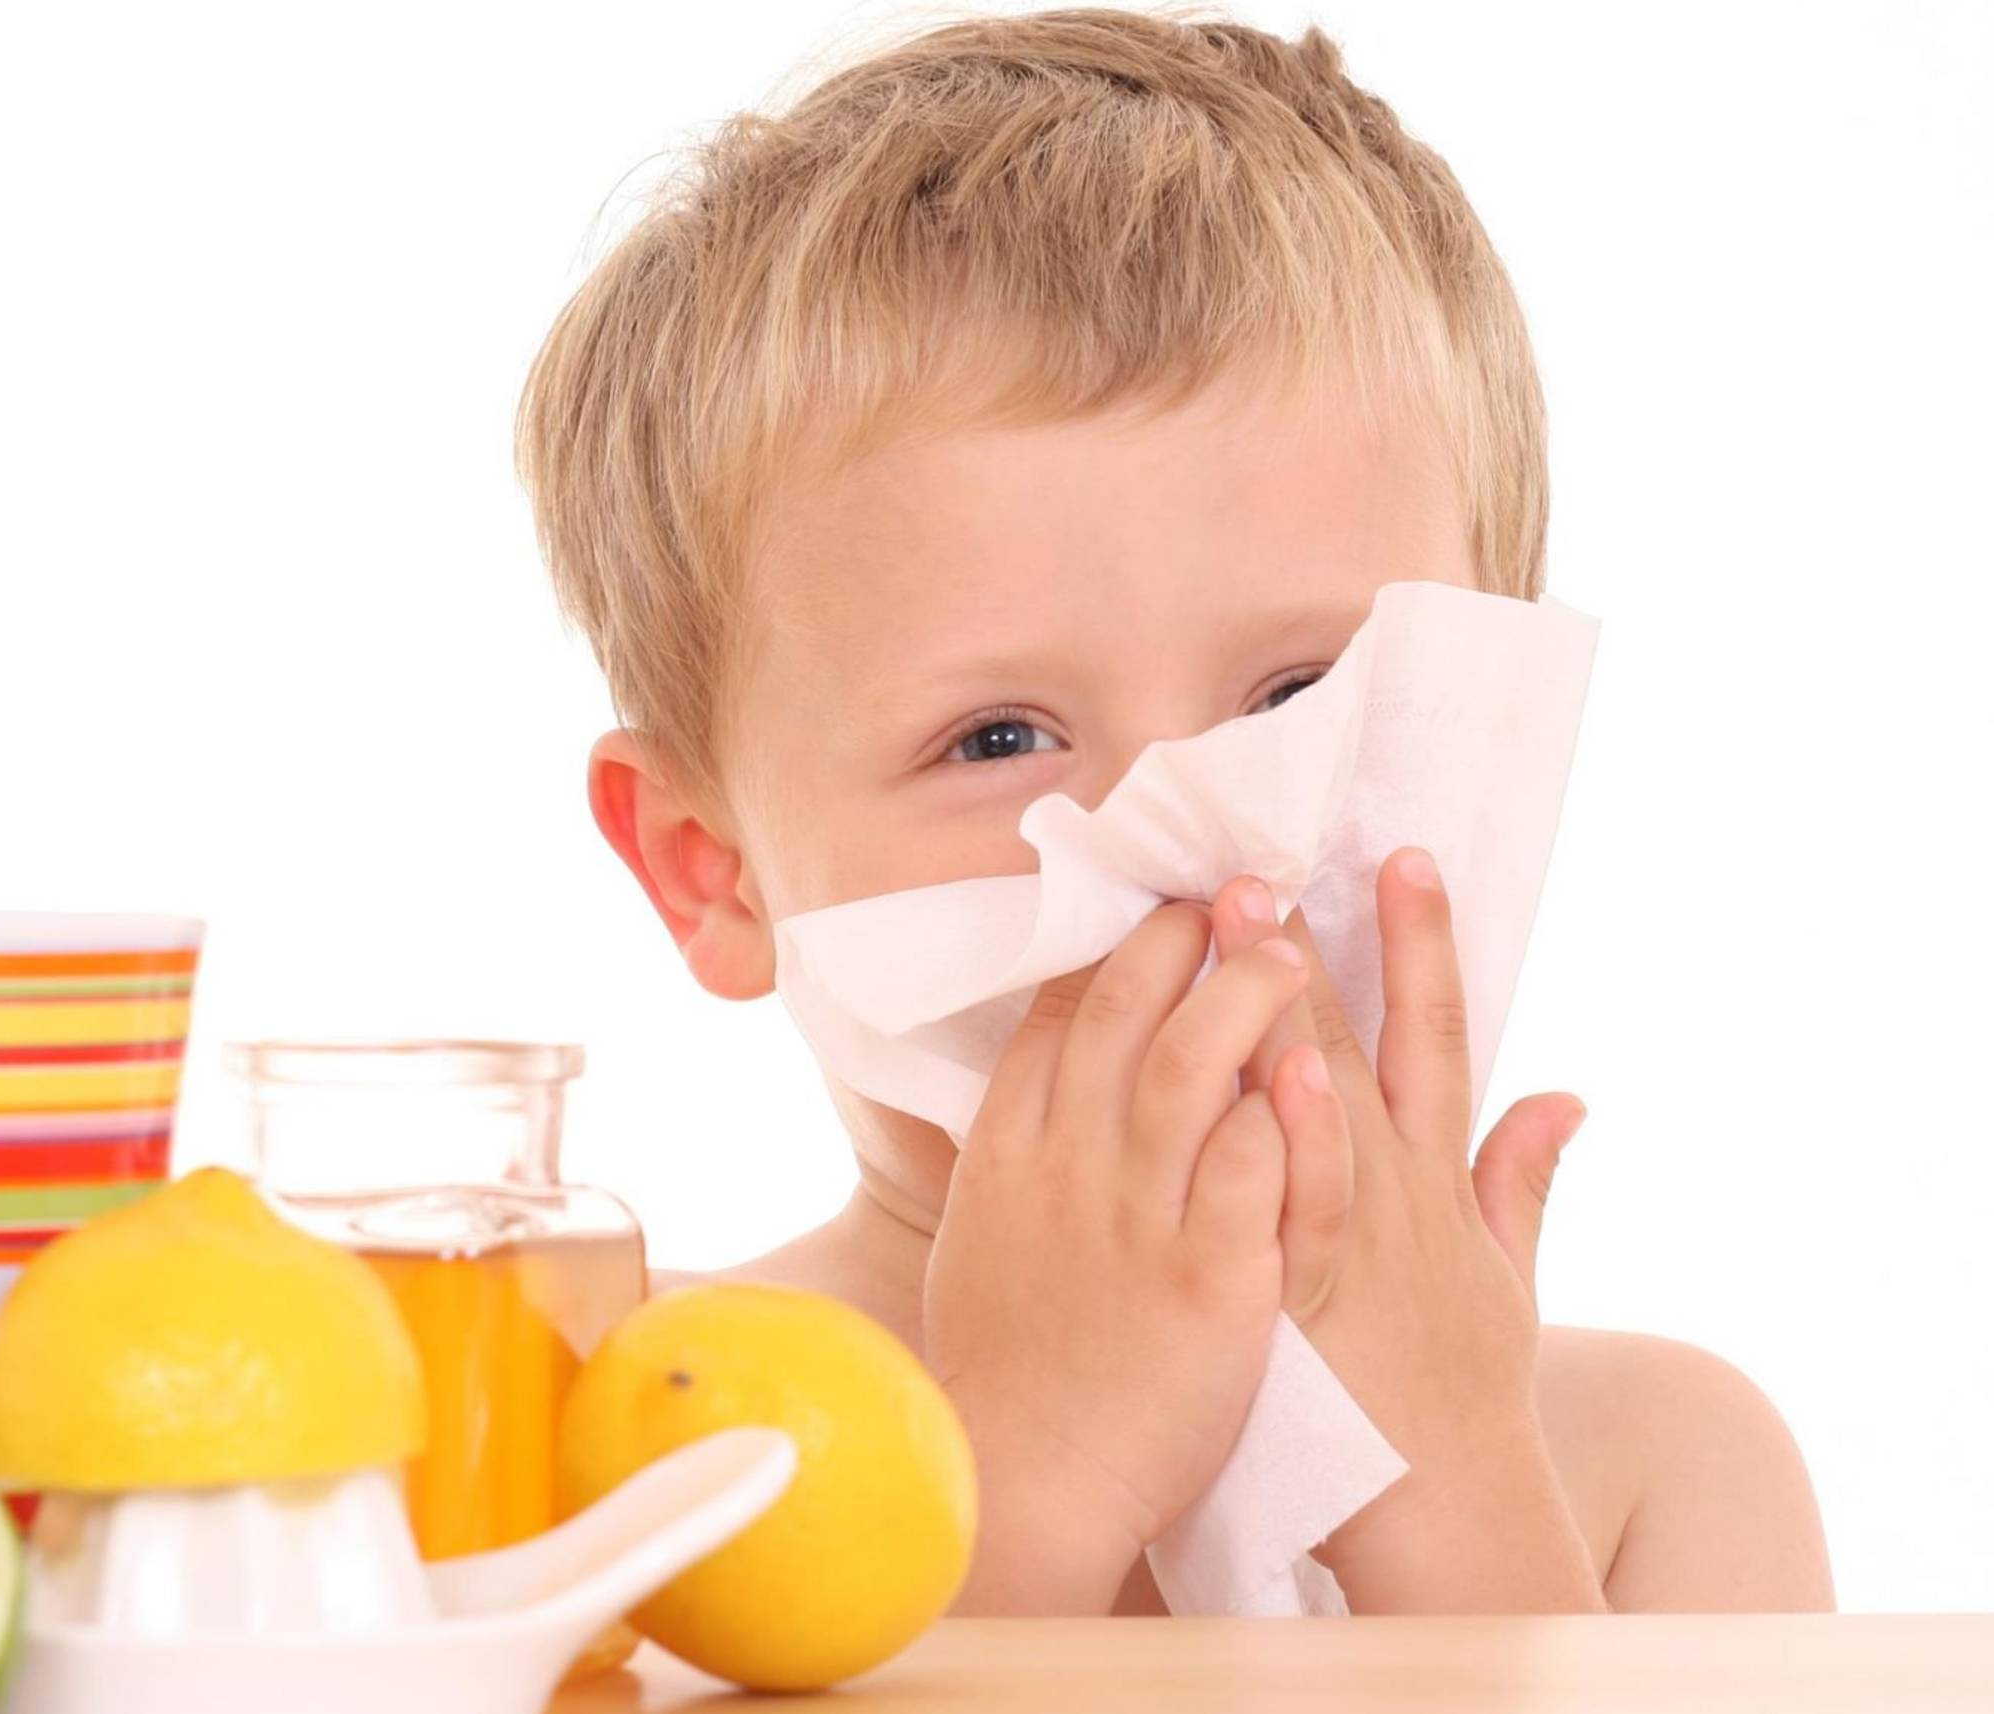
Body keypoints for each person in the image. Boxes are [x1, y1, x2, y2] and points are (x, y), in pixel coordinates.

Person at [513, 6, 1830, 1615]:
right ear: (708, 871)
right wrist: (1032, 1478)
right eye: (998, 735)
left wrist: (1454, 1486)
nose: (1198, 858)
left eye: (1296, 699)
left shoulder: (1657, 1463)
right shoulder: (624, 1438)